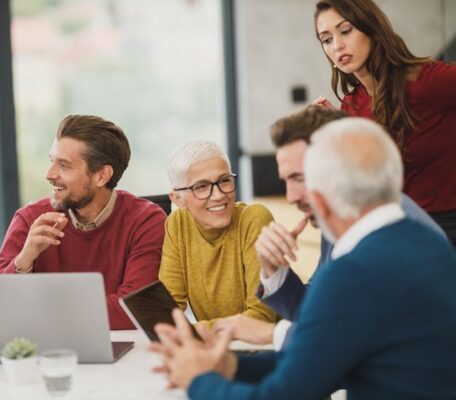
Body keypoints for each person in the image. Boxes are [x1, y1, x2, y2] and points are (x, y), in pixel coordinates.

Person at [150, 118, 456, 399]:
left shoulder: (356, 270)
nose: (293, 195)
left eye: (300, 179)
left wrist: (198, 379)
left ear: (324, 189)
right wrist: (231, 366)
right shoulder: (425, 241)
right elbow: (326, 354)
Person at [217, 105, 445, 349]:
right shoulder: (342, 217)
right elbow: (317, 310)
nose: (290, 196)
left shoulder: (396, 236)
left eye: (299, 178)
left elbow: (345, 340)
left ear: (339, 166)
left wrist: (273, 333)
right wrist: (275, 271)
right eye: (286, 180)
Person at [0, 115, 166, 330]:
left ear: (102, 175)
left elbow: (135, 309)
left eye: (64, 166)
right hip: (46, 354)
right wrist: (24, 261)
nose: (49, 174)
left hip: (124, 353)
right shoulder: (29, 219)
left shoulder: (145, 221)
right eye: (51, 161)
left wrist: (38, 310)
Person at [312, 0, 456, 245]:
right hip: (395, 227)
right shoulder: (351, 104)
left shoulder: (425, 80)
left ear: (371, 28)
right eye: (326, 39)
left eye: (345, 31)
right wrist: (335, 131)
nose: (337, 46)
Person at [159, 140, 276, 327]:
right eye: (201, 187)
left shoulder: (254, 219)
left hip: (268, 348)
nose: (219, 195)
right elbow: (167, 311)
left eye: (224, 181)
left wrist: (194, 331)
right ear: (177, 198)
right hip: (217, 346)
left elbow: (261, 316)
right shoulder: (177, 224)